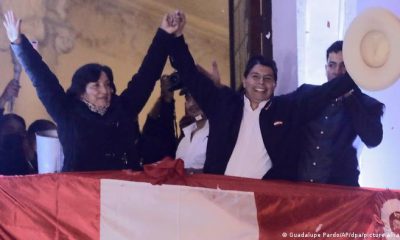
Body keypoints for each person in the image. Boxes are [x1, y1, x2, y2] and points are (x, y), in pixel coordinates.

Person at [166, 11, 359, 181]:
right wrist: (176, 37)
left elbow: (325, 93)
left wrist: (362, 68)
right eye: (255, 76)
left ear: (274, 84)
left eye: (268, 78)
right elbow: (191, 76)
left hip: (261, 202)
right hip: (219, 195)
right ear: (244, 80)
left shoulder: (284, 108)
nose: (261, 83)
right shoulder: (225, 103)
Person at [3, 10, 178, 172]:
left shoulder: (123, 108)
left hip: (121, 194)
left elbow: (146, 77)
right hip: (80, 196)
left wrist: (164, 35)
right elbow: (43, 80)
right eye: (96, 85)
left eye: (108, 84)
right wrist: (18, 43)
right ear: (81, 91)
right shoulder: (67, 111)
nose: (105, 90)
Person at [297, 41, 384, 186]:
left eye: (343, 65)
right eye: (332, 65)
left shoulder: (368, 104)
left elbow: (373, 139)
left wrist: (349, 96)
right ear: (326, 68)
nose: (337, 71)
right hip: (299, 190)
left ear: (352, 70)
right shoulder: (307, 94)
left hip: (341, 194)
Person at [140, 65, 218, 172]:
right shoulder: (184, 138)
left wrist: (217, 88)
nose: (191, 104)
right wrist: (165, 97)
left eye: (196, 97)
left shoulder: (217, 130)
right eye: (187, 98)